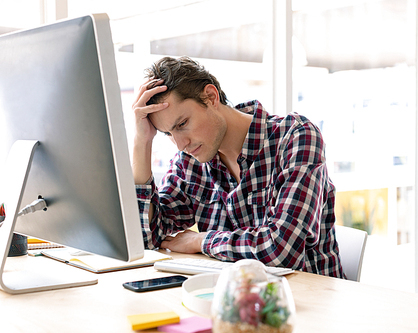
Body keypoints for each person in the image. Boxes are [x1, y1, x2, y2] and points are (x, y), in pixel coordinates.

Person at [132, 56, 344, 278]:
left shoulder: (296, 138)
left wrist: (201, 240)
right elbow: (147, 238)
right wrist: (142, 141)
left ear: (211, 96)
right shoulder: (190, 160)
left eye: (182, 124)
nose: (180, 144)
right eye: (168, 134)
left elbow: (281, 250)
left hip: (308, 301)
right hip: (233, 300)